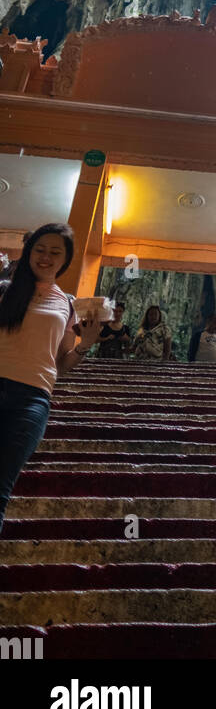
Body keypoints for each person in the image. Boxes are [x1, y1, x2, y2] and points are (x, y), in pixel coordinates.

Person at [0, 222, 102, 532]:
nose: (45, 257)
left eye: (55, 252)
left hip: (32, 400)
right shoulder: (5, 289)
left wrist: (86, 344)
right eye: (40, 249)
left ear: (65, 260)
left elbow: (62, 363)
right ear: (29, 252)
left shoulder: (68, 304)